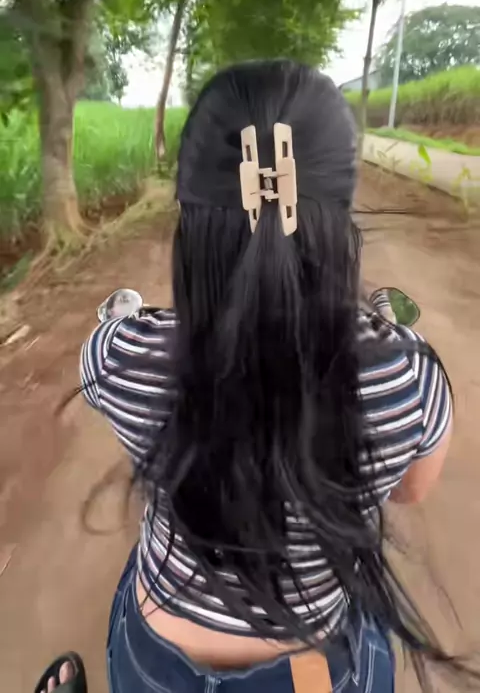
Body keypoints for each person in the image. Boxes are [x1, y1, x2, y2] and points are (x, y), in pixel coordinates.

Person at [36, 61, 455, 693]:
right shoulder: (407, 375)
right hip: (316, 672)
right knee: (367, 620)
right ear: (338, 214)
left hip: (155, 664)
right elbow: (412, 491)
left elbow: (105, 353)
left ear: (192, 222)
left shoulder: (119, 357)